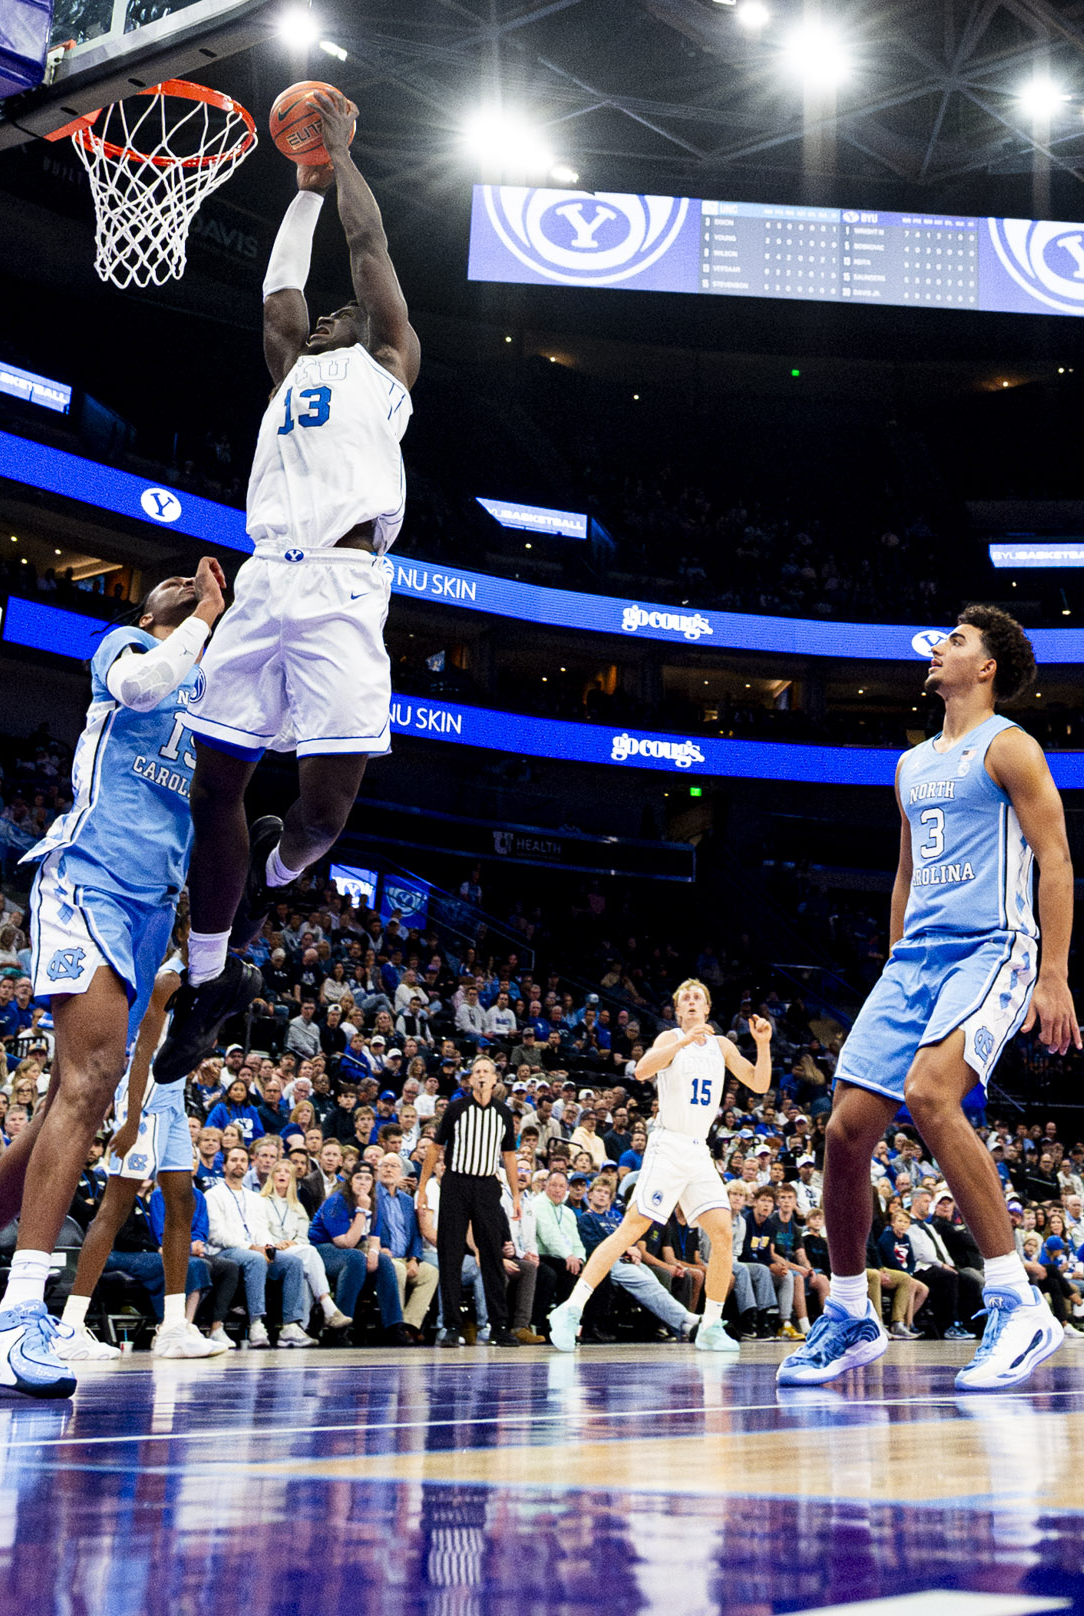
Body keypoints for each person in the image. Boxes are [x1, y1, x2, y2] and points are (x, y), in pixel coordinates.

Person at [0, 565, 227, 1397]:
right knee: (88, 1086)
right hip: (87, 880)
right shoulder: (131, 649)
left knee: (64, 1109)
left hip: (153, 909)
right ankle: (15, 1317)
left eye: (198, 583)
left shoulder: (211, 699)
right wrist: (207, 616)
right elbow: (149, 683)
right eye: (173, 583)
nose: (187, 584)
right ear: (147, 605)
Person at [158, 88, 422, 1082]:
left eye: (342, 316)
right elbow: (279, 291)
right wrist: (298, 191)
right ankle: (214, 975)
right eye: (323, 320)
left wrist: (336, 163)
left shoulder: (389, 364)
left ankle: (277, 869)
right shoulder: (287, 367)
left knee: (324, 809)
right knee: (214, 781)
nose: (329, 318)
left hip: (348, 587)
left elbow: (372, 250)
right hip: (267, 580)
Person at [779, 606, 1079, 1393]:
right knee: (844, 1133)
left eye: (957, 641)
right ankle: (848, 1312)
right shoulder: (912, 764)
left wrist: (1054, 974)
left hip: (993, 949)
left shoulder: (1010, 746)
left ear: (985, 669)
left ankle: (1017, 1301)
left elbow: (1055, 859)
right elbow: (906, 876)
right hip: (914, 961)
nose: (940, 648)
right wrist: (893, 966)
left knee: (930, 1094)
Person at [550, 986, 769, 1356]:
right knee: (631, 1229)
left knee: (722, 1233)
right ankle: (570, 1311)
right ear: (678, 1010)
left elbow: (759, 1083)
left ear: (709, 1007)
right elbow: (641, 1070)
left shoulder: (722, 1046)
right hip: (668, 1145)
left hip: (699, 1149)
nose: (693, 1002)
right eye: (686, 998)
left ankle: (711, 1325)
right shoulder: (671, 1038)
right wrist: (683, 1043)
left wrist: (762, 1044)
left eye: (698, 998)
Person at [56, 967, 241, 1364]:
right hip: (145, 1100)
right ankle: (69, 1326)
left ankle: (173, 1326)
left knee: (182, 1203)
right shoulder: (168, 980)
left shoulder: (203, 981)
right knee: (115, 1208)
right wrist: (131, 1119)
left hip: (173, 1101)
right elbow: (143, 1053)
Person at [419, 1056, 533, 1346]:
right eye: (477, 1072)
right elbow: (435, 1148)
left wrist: (516, 1195)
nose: (482, 1076)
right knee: (450, 1255)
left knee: (493, 1257)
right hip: (456, 1183)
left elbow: (509, 1156)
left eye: (487, 1072)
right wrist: (422, 1187)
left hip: (486, 1186)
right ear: (470, 1079)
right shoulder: (457, 1109)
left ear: (495, 1079)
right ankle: (452, 1327)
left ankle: (498, 1327)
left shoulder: (503, 1113)